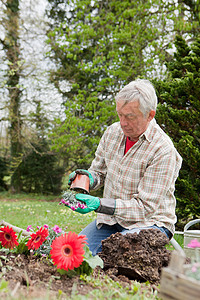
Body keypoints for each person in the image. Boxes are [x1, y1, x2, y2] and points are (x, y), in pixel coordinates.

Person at [68, 79, 182, 256]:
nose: (122, 123)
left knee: (116, 258)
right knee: (75, 254)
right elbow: (99, 172)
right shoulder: (112, 133)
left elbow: (144, 208)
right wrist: (88, 180)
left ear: (150, 115)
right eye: (120, 114)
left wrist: (100, 204)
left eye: (130, 116)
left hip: (149, 223)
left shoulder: (163, 150)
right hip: (111, 221)